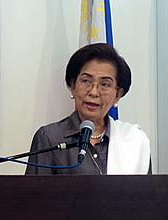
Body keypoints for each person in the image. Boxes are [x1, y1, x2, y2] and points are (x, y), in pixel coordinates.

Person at [25, 43, 151, 175]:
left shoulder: (135, 140)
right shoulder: (50, 137)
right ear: (73, 86)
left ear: (118, 95)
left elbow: (148, 194)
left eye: (105, 84)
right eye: (86, 81)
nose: (94, 92)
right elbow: (34, 194)